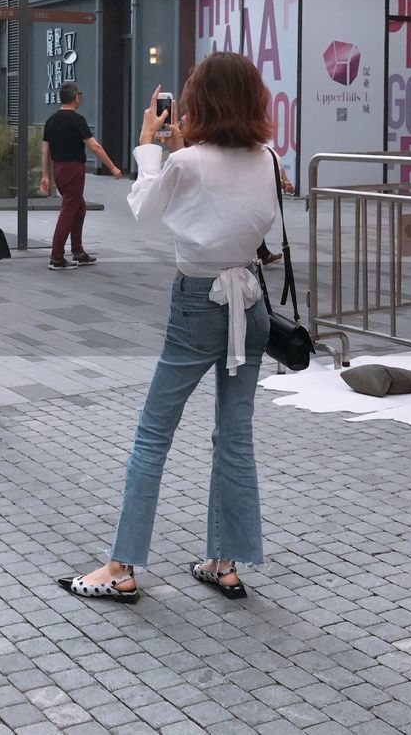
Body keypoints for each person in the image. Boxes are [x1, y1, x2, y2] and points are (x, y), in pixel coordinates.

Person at [57, 52, 279, 603]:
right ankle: (223, 561)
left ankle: (122, 565)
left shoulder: (188, 162)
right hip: (248, 304)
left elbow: (145, 208)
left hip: (197, 303)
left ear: (199, 101)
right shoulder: (268, 157)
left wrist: (147, 142)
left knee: (153, 434)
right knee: (235, 434)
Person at [39, 82, 122, 271]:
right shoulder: (77, 120)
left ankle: (78, 251)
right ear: (76, 97)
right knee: (69, 209)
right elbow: (95, 147)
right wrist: (112, 167)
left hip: (59, 169)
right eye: (80, 94)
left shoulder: (51, 120)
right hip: (73, 169)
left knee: (78, 208)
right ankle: (57, 257)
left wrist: (45, 175)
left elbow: (45, 151)